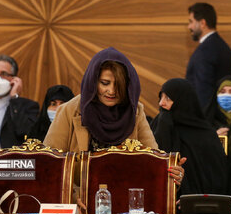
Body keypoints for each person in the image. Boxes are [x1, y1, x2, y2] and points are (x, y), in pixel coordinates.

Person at [43, 47, 185, 204]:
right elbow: (50, 166)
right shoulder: (69, 111)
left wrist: (171, 172)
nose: (111, 91)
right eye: (105, 83)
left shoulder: (136, 111)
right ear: (93, 81)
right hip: (82, 207)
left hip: (126, 205)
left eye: (118, 84)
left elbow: (153, 162)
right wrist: (73, 195)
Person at [150, 78, 227, 195]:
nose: (161, 103)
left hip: (198, 204)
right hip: (158, 198)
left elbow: (215, 179)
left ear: (183, 101)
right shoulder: (159, 124)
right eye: (161, 97)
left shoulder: (205, 134)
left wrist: (186, 189)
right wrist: (164, 127)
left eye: (168, 98)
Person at [186, 2, 231, 108]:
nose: (189, 26)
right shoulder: (222, 46)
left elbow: (202, 92)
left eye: (191, 22)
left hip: (205, 118)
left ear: (202, 23)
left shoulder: (205, 51)